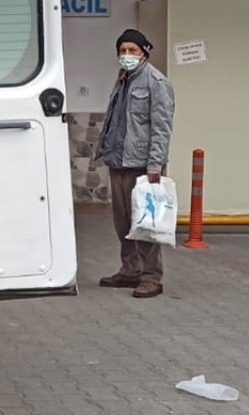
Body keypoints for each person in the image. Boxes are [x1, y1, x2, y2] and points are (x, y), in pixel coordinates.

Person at [94, 29, 175, 298]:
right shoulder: (123, 79)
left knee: (145, 223)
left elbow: (161, 128)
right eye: (123, 50)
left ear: (144, 53)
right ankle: (130, 270)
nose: (126, 55)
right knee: (123, 223)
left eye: (132, 50)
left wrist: (155, 164)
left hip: (141, 165)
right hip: (118, 161)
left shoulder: (156, 82)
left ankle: (151, 277)